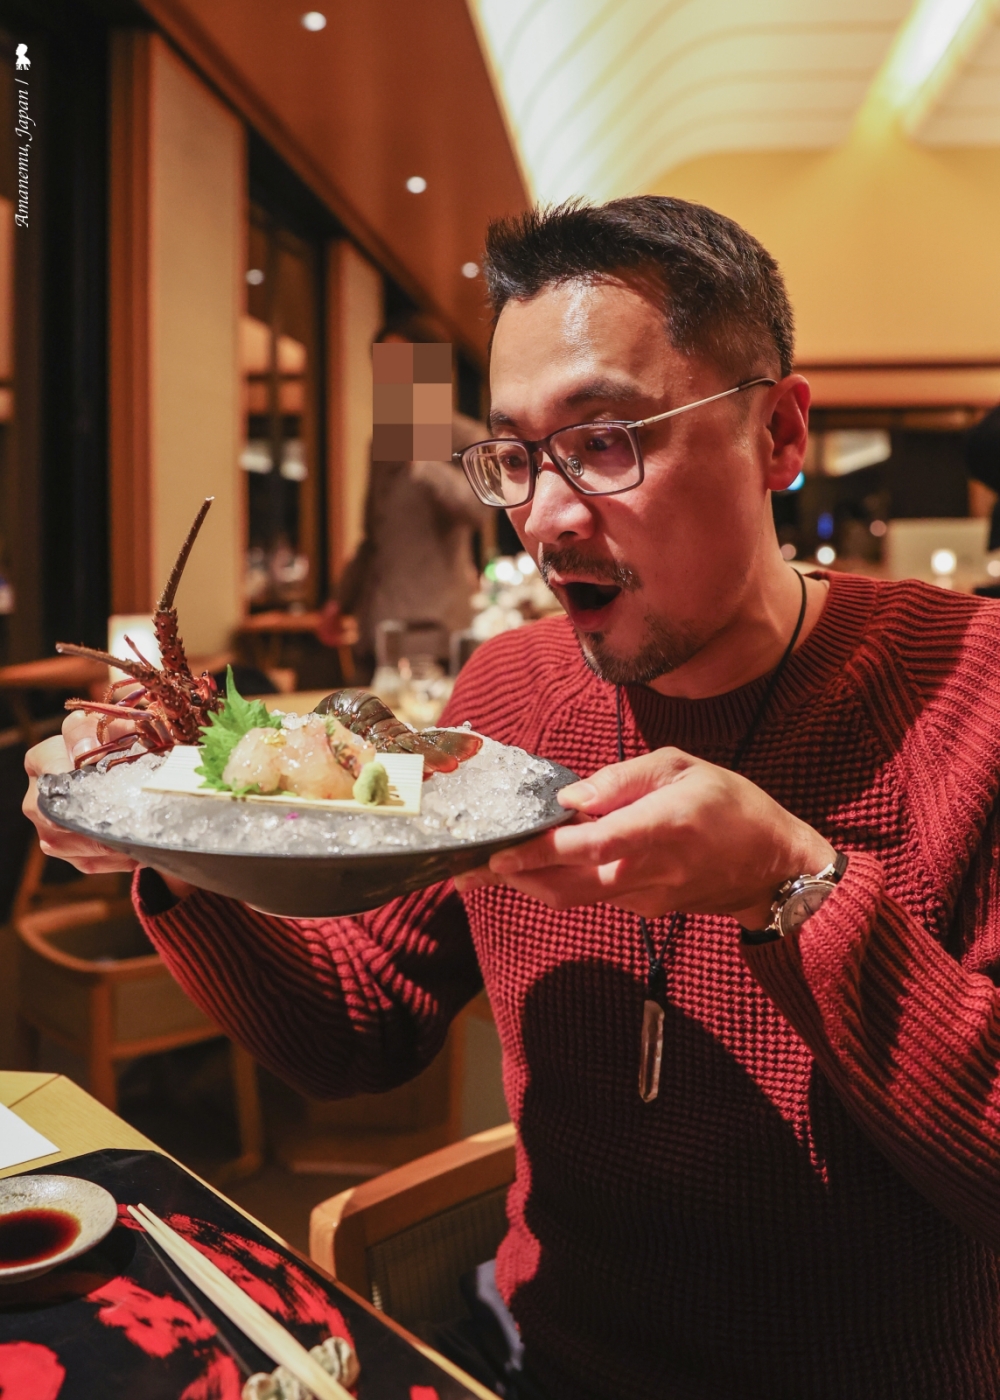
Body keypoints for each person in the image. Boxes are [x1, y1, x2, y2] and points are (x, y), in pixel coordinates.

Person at [24, 197, 1000, 1400]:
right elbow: (358, 1022)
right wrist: (165, 837)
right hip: (544, 1358)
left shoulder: (973, 691)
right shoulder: (509, 690)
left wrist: (794, 883)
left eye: (606, 440)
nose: (544, 516)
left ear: (777, 433)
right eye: (517, 458)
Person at [338, 313, 492, 671]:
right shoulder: (380, 445)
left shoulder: (465, 436)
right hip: (375, 629)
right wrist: (340, 601)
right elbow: (373, 539)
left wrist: (423, 458)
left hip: (433, 632)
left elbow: (479, 508)